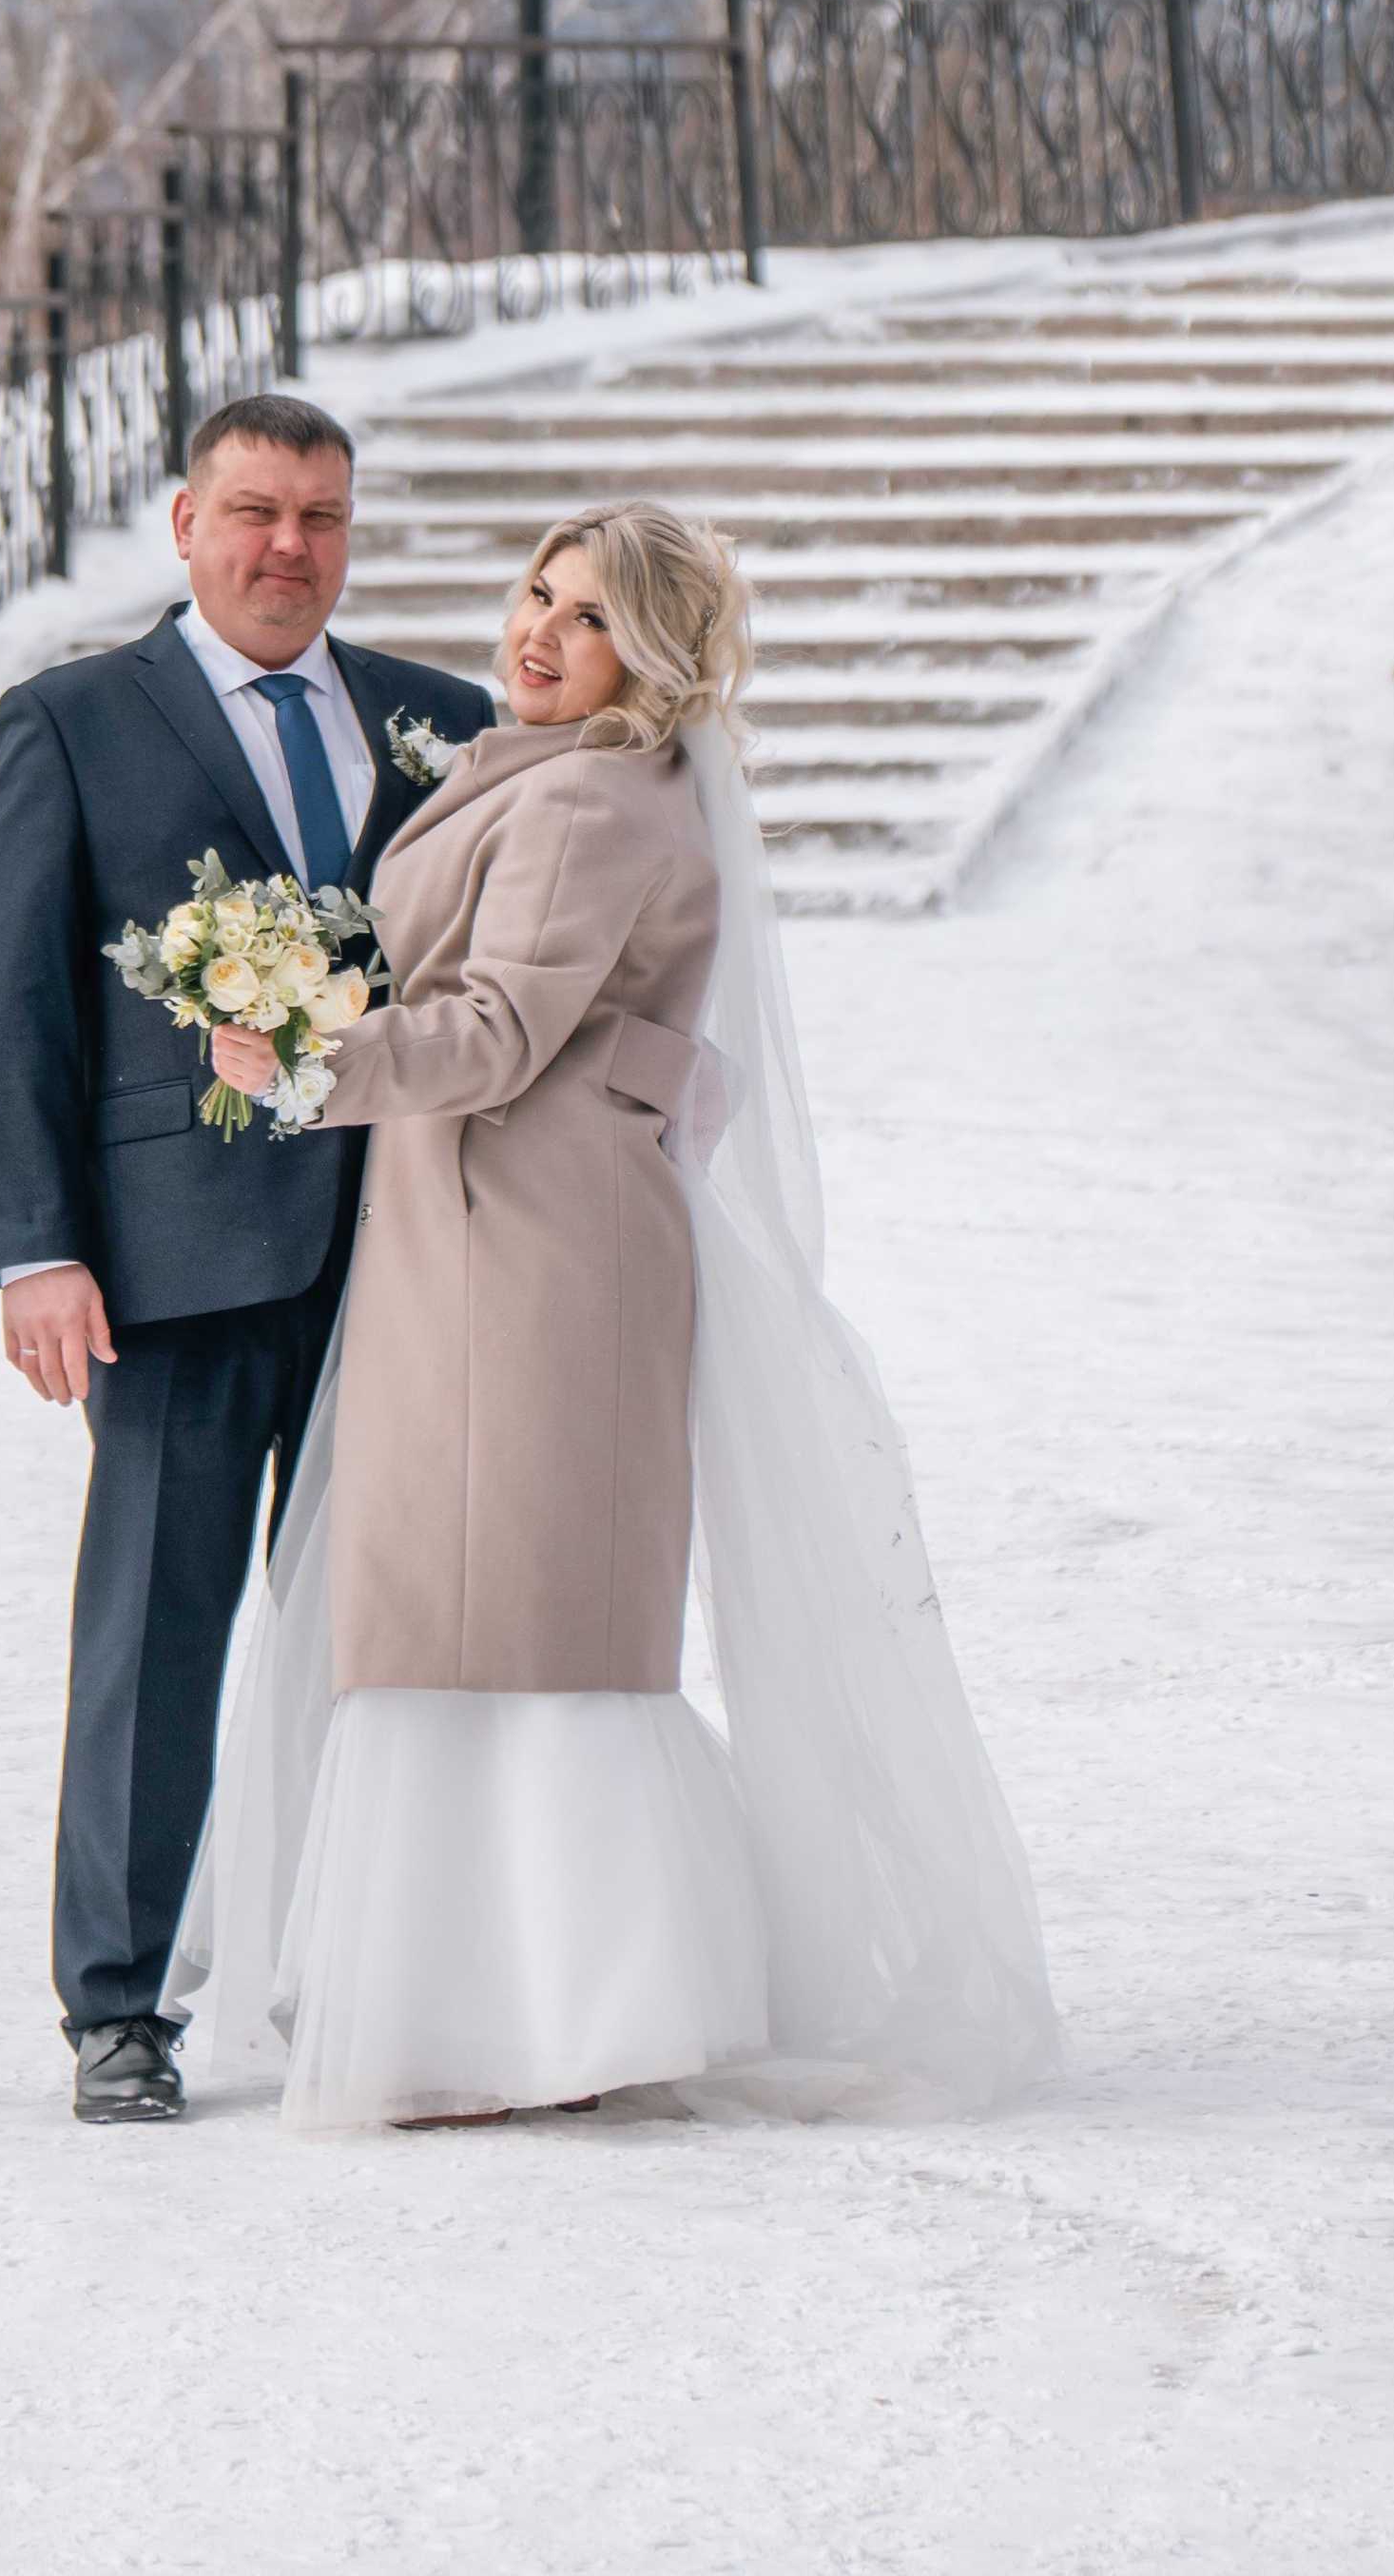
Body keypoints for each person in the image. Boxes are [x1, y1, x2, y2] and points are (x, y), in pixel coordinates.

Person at [178, 499, 1061, 2130]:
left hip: (534, 1243)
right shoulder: (570, 773)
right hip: (494, 1227)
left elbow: (504, 1030)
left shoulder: (591, 798)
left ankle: (553, 2013)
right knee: (483, 1608)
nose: (536, 631)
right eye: (534, 592)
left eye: (584, 617)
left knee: (519, 1612)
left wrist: (312, 1060)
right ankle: (508, 2006)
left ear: (644, 651)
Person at [0, 392, 497, 2123]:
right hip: (175, 1263)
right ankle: (120, 2003)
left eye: (324, 518)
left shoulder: (445, 723)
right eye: (256, 512)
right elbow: (9, 1012)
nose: (290, 550)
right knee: (156, 1636)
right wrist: (36, 1250)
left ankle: (379, 1966)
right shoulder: (73, 722)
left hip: (411, 1252)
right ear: (185, 520)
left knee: (396, 1627)